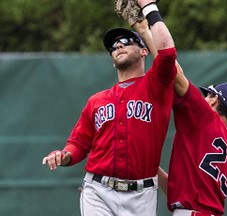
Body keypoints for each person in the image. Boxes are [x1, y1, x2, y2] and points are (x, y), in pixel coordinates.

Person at [42, 0, 177, 215]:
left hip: (142, 195)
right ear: (113, 60)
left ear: (144, 51)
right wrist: (65, 155)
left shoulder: (157, 87)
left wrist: (148, 7)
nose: (118, 46)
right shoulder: (97, 101)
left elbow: (167, 53)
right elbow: (78, 143)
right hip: (98, 190)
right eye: (113, 46)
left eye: (125, 41)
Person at [158, 63, 227, 216]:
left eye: (208, 95)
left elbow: (175, 73)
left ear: (214, 100)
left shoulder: (205, 118)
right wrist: (149, 167)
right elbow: (184, 190)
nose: (204, 98)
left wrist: (149, 39)